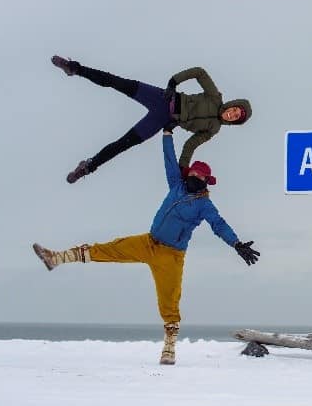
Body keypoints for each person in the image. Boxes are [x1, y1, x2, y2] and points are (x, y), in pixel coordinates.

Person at [31, 127, 261, 365]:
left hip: (171, 255)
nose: (195, 177)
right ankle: (55, 258)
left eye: (200, 177)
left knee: (169, 301)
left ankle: (169, 348)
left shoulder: (204, 204)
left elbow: (218, 224)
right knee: (107, 249)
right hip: (148, 242)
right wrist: (167, 134)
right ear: (189, 174)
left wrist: (236, 243)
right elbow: (169, 160)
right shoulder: (176, 185)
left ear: (205, 181)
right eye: (193, 173)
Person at [50, 56, 252, 183]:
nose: (232, 114)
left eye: (235, 117)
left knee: (123, 144)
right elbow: (200, 72)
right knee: (116, 82)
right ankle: (75, 68)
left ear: (233, 122)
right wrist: (174, 82)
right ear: (232, 105)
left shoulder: (213, 129)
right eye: (235, 110)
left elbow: (191, 145)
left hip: (162, 119)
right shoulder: (214, 96)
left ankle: (87, 167)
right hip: (163, 97)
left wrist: (183, 169)